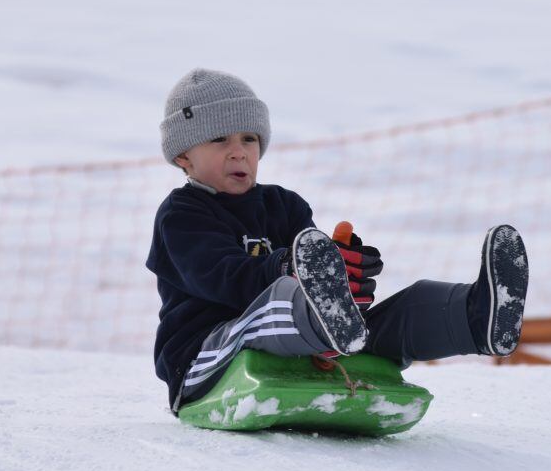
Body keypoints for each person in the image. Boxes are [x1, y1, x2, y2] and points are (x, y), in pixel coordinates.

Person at [146, 68, 529, 413]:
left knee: (386, 320)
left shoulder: (284, 205)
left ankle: (475, 316)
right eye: (219, 139)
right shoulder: (182, 215)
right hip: (205, 357)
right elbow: (222, 278)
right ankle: (322, 320)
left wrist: (343, 269)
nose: (239, 152)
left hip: (299, 337)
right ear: (183, 156)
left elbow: (305, 269)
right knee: (278, 303)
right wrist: (291, 268)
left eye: (249, 138)